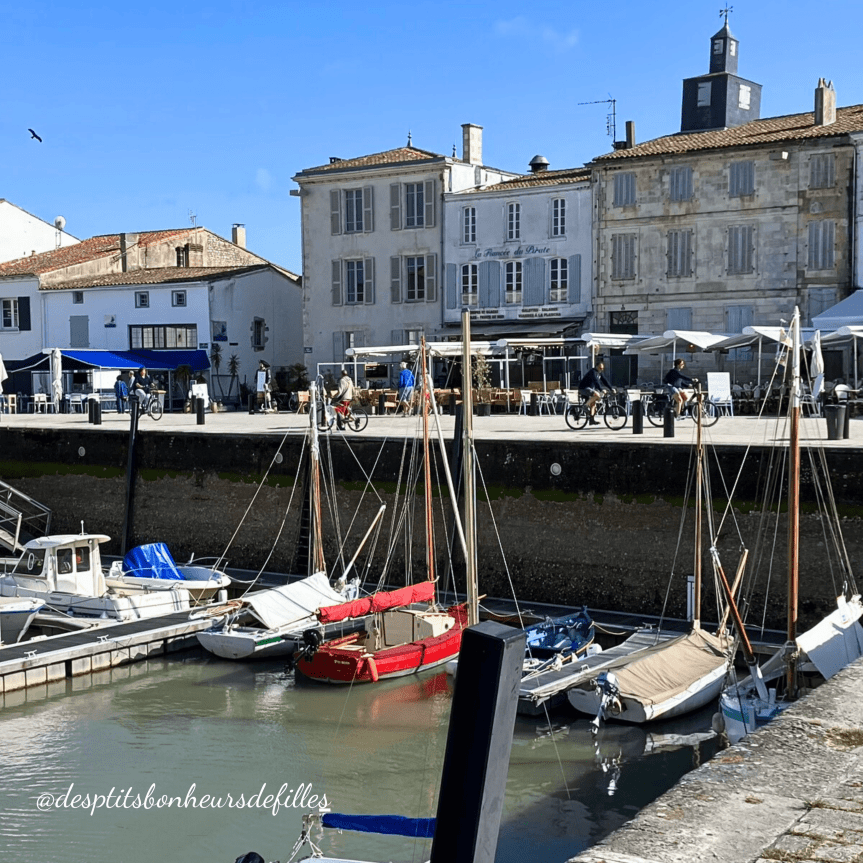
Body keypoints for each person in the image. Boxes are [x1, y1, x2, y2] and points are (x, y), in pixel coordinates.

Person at [578, 360, 613, 425]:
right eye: (600, 368)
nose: (601, 369)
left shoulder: (599, 373)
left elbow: (605, 381)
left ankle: (591, 420)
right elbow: (596, 381)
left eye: (602, 368)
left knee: (593, 404)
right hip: (584, 388)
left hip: (590, 389)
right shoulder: (593, 372)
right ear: (597, 366)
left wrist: (611, 388)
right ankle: (585, 406)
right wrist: (601, 390)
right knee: (597, 395)